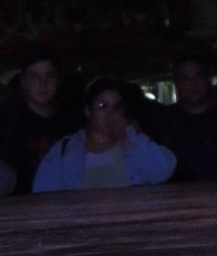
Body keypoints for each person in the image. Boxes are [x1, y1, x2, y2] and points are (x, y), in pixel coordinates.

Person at [32, 77, 176, 192]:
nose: (110, 113)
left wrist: (128, 137)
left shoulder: (133, 143)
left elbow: (163, 170)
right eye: (102, 106)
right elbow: (43, 192)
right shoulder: (65, 149)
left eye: (116, 107)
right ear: (88, 111)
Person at [0, 50, 83, 194]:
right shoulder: (7, 120)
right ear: (23, 81)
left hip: (63, 201)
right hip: (16, 203)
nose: (42, 83)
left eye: (49, 76)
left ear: (58, 80)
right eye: (34, 76)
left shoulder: (72, 123)